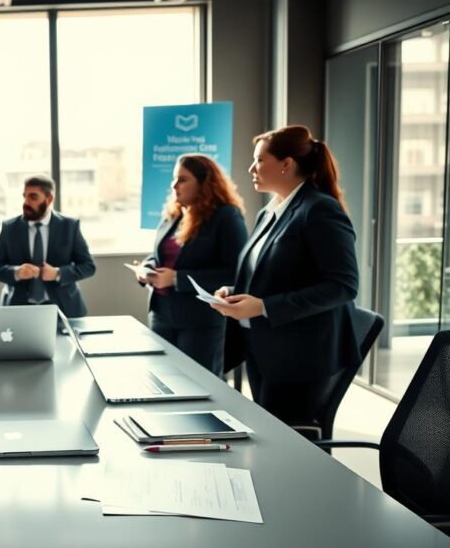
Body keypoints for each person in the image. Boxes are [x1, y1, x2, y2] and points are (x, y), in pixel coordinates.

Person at [210, 126, 359, 428]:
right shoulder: (270, 211)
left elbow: (343, 285)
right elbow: (267, 274)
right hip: (264, 348)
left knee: (285, 446)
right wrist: (234, 292)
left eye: (259, 160)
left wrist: (264, 306)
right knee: (267, 435)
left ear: (286, 164)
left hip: (300, 357)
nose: (251, 168)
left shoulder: (319, 210)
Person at [131, 155, 247, 377]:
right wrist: (147, 268)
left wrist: (176, 278)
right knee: (163, 380)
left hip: (199, 321)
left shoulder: (226, 216)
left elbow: (236, 272)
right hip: (161, 313)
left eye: (182, 179)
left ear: (205, 183)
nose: (174, 185)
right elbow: (163, 256)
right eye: (174, 179)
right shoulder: (173, 215)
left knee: (199, 387)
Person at [0, 174, 96, 318]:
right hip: (18, 309)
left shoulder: (69, 226)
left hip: (63, 309)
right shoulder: (10, 228)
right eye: (25, 196)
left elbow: (88, 266)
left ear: (49, 199)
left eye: (33, 197)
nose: (26, 202)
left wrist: (58, 273)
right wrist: (16, 272)